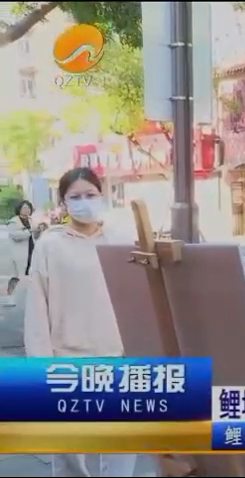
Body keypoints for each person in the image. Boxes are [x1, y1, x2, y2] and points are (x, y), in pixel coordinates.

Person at [24, 167, 138, 477]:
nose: (84, 202)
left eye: (91, 194)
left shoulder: (120, 241)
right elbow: (37, 310)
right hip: (67, 362)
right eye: (76, 197)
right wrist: (40, 366)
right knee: (69, 453)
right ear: (63, 202)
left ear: (102, 196)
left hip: (118, 357)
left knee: (121, 447)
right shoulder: (50, 244)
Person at [7, 199, 46, 300]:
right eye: (24, 208)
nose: (27, 210)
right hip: (19, 253)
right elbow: (16, 236)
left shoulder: (31, 220)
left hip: (31, 250)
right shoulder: (13, 221)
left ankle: (26, 295)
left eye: (28, 208)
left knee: (30, 273)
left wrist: (39, 230)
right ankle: (11, 296)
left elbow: (35, 236)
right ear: (19, 209)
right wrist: (30, 231)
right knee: (16, 275)